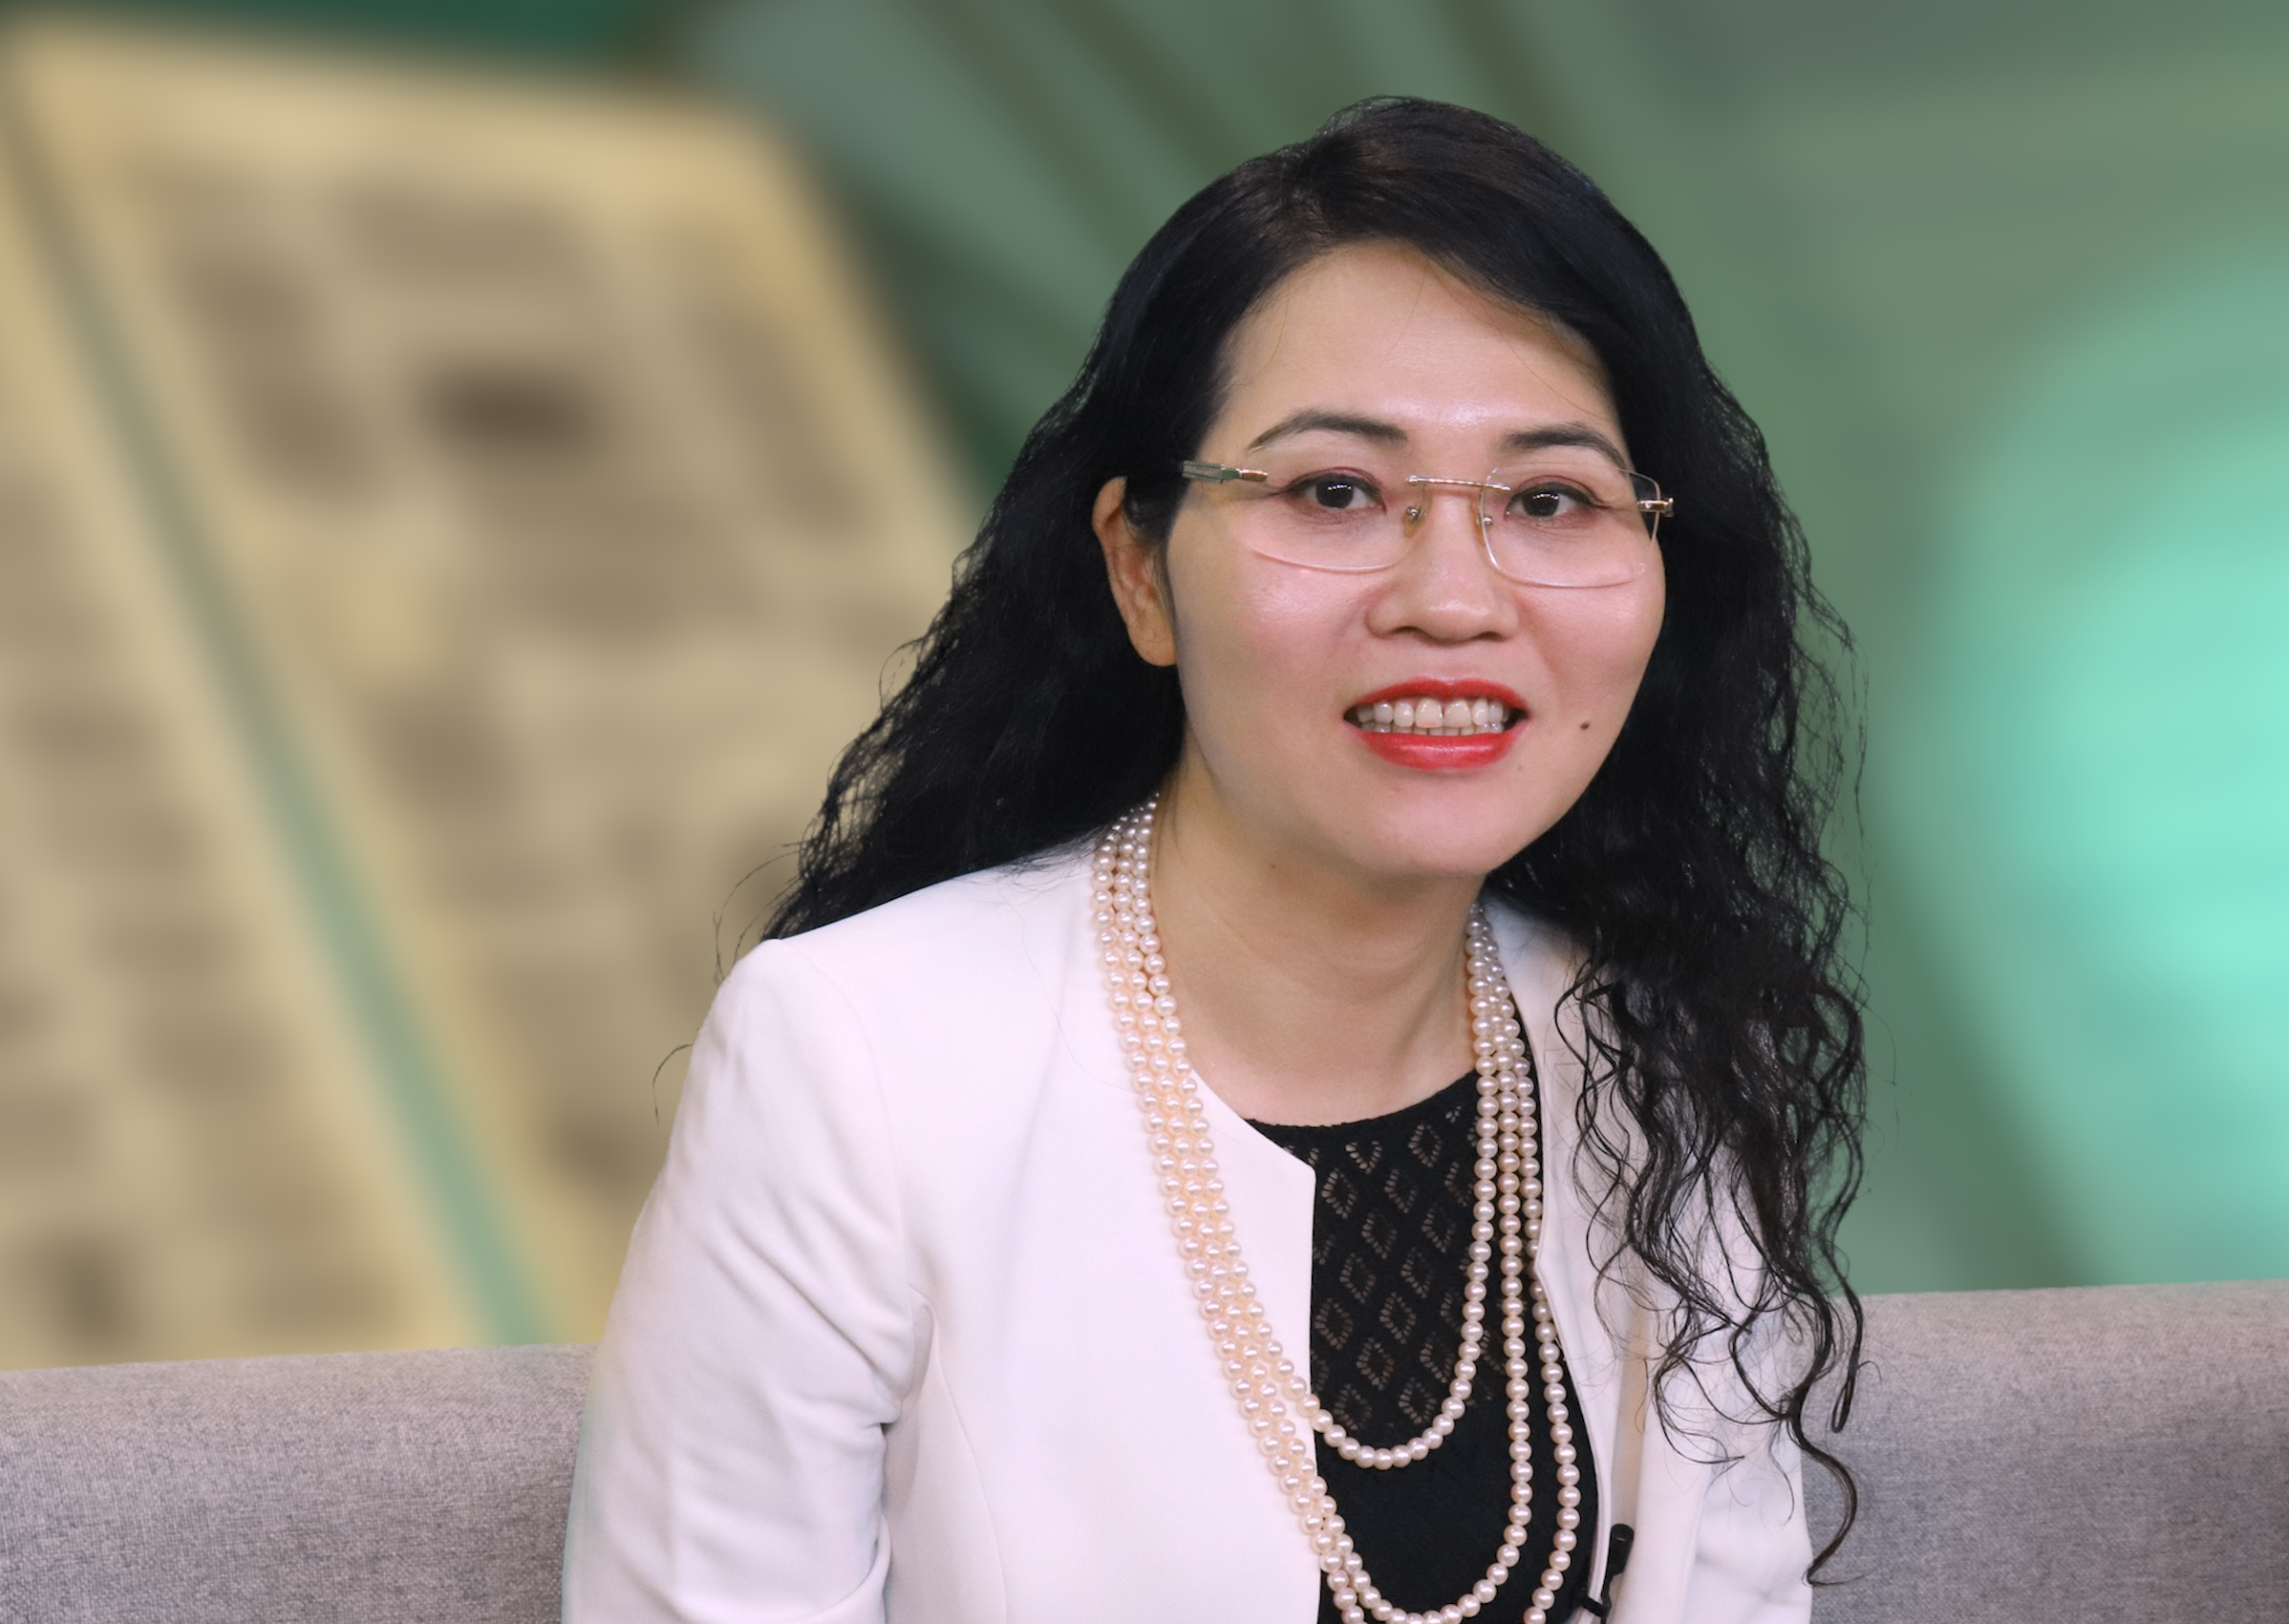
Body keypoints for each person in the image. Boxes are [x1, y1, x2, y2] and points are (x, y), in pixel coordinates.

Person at [563, 97, 1867, 1624]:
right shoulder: (852, 1064)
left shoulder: (1668, 1058)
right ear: (1139, 567)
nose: (1454, 599)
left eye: (1550, 499)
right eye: (1335, 491)